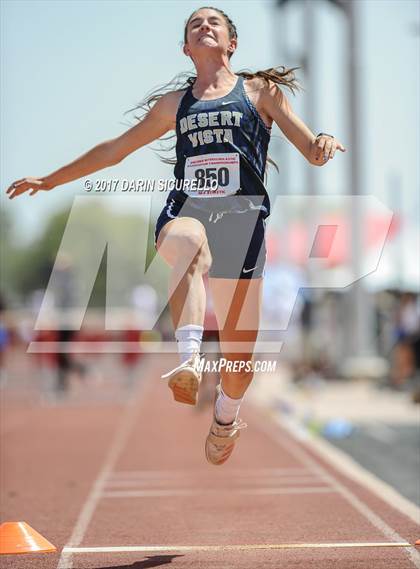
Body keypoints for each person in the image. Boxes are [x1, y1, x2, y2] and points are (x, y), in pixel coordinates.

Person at [6, 6, 345, 465]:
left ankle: (226, 415)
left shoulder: (260, 92)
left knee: (239, 367)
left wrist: (323, 143)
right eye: (194, 25)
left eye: (213, 23)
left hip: (243, 225)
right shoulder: (173, 105)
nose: (204, 27)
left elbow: (311, 149)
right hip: (188, 211)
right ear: (186, 48)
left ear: (232, 43)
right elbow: (114, 150)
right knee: (189, 244)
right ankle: (187, 359)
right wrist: (50, 180)